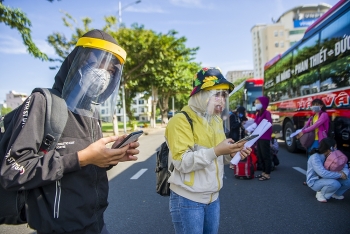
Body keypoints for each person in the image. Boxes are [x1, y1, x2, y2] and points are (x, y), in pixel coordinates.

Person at [0, 29, 140, 233]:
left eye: (111, 71)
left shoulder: (91, 113)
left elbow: (87, 165)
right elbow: (13, 170)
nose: (104, 75)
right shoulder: (43, 102)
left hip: (97, 223)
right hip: (59, 228)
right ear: (77, 63)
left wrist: (109, 158)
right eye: (98, 64)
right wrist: (82, 158)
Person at [165, 67, 252, 234]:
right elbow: (182, 162)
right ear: (200, 94)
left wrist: (232, 153)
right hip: (188, 200)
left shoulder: (215, 120)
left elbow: (218, 154)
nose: (221, 100)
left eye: (224, 96)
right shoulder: (180, 120)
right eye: (216, 94)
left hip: (213, 198)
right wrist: (217, 151)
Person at [306, 138, 350, 203]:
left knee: (348, 181)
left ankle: (335, 193)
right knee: (335, 184)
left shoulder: (334, 155)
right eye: (335, 147)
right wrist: (340, 175)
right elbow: (322, 173)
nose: (336, 149)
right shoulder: (315, 157)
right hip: (315, 181)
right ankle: (321, 193)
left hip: (331, 177)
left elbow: (344, 165)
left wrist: (345, 174)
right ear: (331, 148)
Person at [297, 98, 330, 185]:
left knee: (317, 160)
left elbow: (316, 125)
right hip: (311, 140)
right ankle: (310, 179)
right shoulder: (312, 116)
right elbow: (306, 126)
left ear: (321, 106)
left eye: (317, 105)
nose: (315, 107)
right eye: (313, 105)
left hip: (319, 140)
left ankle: (317, 179)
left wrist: (303, 132)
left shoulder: (324, 115)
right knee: (310, 161)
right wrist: (299, 133)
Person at [245, 96, 273, 181]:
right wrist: (248, 129)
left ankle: (267, 174)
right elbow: (256, 124)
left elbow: (268, 123)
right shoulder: (258, 114)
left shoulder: (266, 113)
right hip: (259, 137)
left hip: (265, 137)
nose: (256, 104)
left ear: (263, 103)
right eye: (256, 102)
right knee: (260, 155)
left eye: (258, 102)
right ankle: (263, 172)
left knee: (265, 155)